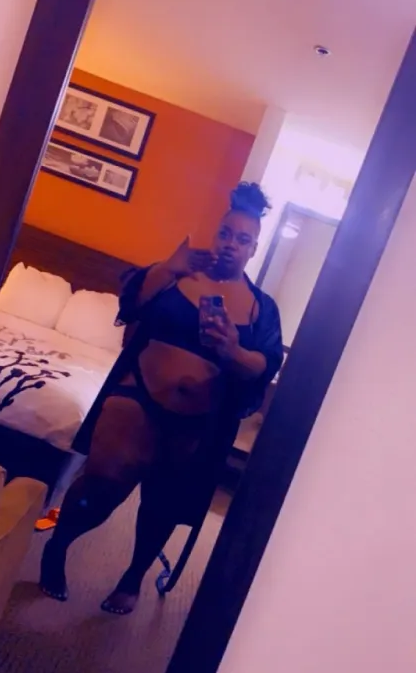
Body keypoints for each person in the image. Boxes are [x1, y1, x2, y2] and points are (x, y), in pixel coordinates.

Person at [40, 182, 284, 614]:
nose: (231, 244)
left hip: (197, 424)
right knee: (101, 489)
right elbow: (131, 304)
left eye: (243, 239)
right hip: (137, 399)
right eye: (226, 233)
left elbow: (264, 365)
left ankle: (132, 579)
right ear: (217, 234)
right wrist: (168, 268)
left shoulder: (260, 308)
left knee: (162, 506)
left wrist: (232, 349)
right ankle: (57, 547)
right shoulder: (180, 273)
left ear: (254, 248)